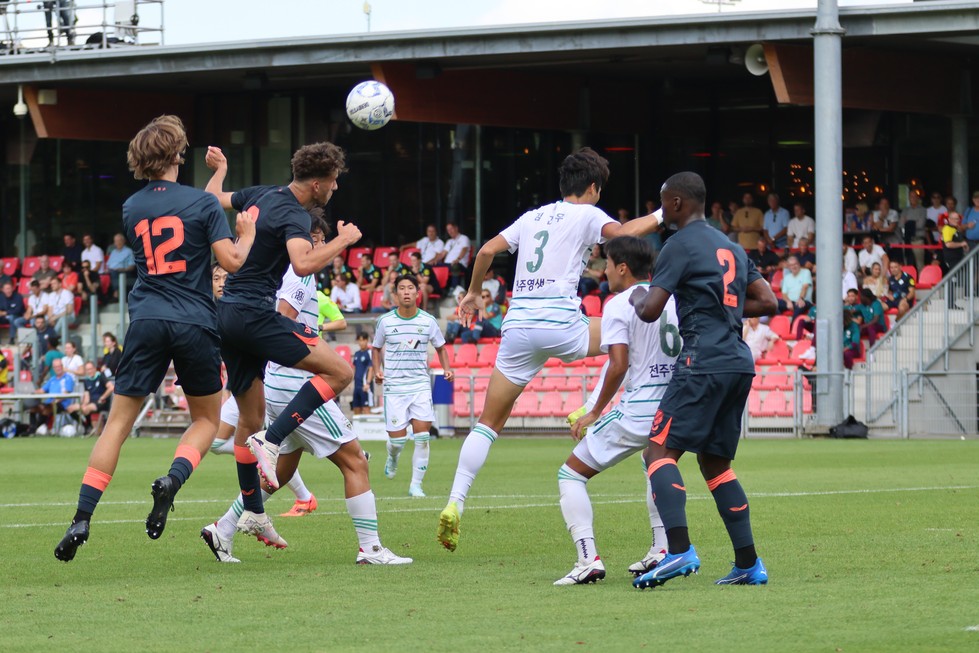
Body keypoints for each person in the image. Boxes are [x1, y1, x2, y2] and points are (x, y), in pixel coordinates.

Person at [436, 147, 662, 552]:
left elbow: (486, 250)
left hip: (519, 326)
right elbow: (625, 233)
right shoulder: (588, 214)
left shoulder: (533, 216)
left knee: (488, 423)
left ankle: (455, 501)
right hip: (561, 324)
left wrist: (473, 293)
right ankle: (595, 408)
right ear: (593, 188)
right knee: (624, 335)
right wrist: (665, 214)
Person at [54, 114, 257, 563]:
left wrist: (216, 177)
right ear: (177, 155)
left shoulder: (131, 208)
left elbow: (179, 212)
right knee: (206, 419)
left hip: (146, 318)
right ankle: (172, 480)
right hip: (195, 321)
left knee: (116, 425)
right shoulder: (203, 206)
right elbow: (234, 260)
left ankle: (82, 517)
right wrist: (247, 232)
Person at [202, 231, 411, 566]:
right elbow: (283, 318)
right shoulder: (300, 271)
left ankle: (222, 529)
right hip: (297, 382)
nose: (320, 246)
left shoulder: (273, 269)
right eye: (317, 238)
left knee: (281, 472)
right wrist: (314, 345)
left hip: (278, 381)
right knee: (355, 460)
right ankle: (371, 549)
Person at [204, 140, 362, 540]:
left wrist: (220, 169)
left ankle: (253, 512)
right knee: (340, 371)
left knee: (249, 419)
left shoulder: (261, 193)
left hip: (227, 314)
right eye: (332, 181)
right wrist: (343, 240)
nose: (335, 188)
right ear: (315, 183)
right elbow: (303, 262)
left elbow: (211, 202)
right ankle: (272, 442)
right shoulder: (293, 212)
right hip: (255, 313)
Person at [629, 171, 777, 589]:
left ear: (676, 204)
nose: (661, 213)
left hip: (702, 361)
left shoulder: (677, 245)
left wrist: (637, 294)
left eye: (663, 204)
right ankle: (748, 563)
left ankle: (678, 551)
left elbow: (650, 310)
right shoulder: (730, 245)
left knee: (656, 452)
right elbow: (769, 301)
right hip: (737, 362)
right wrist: (724, 309)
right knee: (715, 465)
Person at [556, 236, 678, 585]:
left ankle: (587, 559)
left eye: (607, 263)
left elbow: (619, 363)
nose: (604, 269)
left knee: (570, 474)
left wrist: (594, 410)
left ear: (622, 267)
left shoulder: (618, 303)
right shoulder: (671, 299)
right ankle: (662, 549)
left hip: (639, 408)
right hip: (673, 404)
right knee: (654, 465)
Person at [373, 274, 453, 498]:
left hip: (419, 386)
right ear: (395, 294)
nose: (406, 292)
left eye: (410, 288)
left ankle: (416, 485)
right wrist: (378, 370)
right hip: (395, 388)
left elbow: (441, 347)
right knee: (397, 441)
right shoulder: (385, 321)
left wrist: (447, 368)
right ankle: (393, 456)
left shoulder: (427, 321)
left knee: (422, 438)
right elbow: (376, 347)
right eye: (402, 288)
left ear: (418, 293)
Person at [77, 361, 113, 435]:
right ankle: (88, 426)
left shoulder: (101, 376)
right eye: (87, 369)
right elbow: (87, 395)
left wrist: (102, 397)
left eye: (91, 369)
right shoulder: (86, 380)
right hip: (91, 403)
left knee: (86, 409)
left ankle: (89, 427)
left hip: (102, 402)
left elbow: (111, 387)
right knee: (73, 408)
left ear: (94, 368)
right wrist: (84, 403)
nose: (89, 371)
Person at [777, 256, 813, 320]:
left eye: (795, 264)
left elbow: (805, 287)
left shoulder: (806, 272)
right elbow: (784, 294)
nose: (793, 267)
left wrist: (800, 298)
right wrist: (788, 301)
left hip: (804, 301)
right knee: (774, 303)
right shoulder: (787, 277)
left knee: (800, 305)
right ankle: (782, 324)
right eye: (791, 265)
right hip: (791, 302)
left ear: (799, 264)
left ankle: (793, 327)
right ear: (788, 267)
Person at [901, 191, 930, 270]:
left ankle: (921, 282)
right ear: (909, 198)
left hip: (918, 240)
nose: (913, 198)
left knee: (920, 265)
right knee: (907, 264)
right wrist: (914, 222)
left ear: (918, 198)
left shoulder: (923, 210)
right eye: (911, 196)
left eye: (914, 196)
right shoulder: (905, 210)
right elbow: (901, 224)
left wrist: (908, 222)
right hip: (906, 240)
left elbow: (921, 224)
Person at [105, 232, 136, 300]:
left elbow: (132, 267)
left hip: (124, 273)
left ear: (124, 241)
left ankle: (116, 292)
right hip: (112, 272)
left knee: (114, 272)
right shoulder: (113, 252)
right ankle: (104, 298)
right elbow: (108, 265)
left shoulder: (129, 251)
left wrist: (123, 269)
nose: (118, 243)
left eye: (120, 240)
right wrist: (107, 270)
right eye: (116, 241)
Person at [441, 221, 472, 287]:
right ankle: (439, 290)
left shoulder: (464, 238)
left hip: (459, 264)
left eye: (451, 229)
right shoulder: (449, 241)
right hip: (447, 264)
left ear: (456, 228)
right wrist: (434, 261)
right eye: (448, 230)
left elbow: (464, 249)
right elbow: (443, 254)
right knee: (432, 266)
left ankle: (454, 289)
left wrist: (457, 259)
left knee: (455, 266)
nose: (450, 231)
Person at [351, 332, 374, 415]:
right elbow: (354, 368)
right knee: (356, 410)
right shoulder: (357, 354)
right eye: (360, 340)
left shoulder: (369, 353)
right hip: (357, 386)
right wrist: (351, 382)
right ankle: (357, 428)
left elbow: (371, 369)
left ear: (367, 340)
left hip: (365, 386)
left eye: (363, 340)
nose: (361, 342)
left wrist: (368, 383)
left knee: (366, 410)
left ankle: (369, 428)